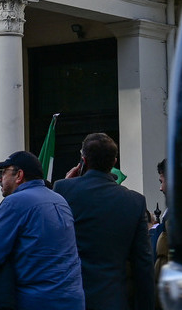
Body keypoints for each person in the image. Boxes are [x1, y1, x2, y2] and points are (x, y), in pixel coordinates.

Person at [0, 151, 83, 310]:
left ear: (19, 175)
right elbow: (37, 243)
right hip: (71, 299)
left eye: (3, 172)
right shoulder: (59, 200)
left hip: (34, 300)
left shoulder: (14, 202)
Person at [55, 133, 152, 310]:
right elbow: (143, 263)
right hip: (113, 299)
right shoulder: (135, 201)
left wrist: (64, 187)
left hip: (69, 297)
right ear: (114, 162)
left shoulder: (63, 189)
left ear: (83, 160)